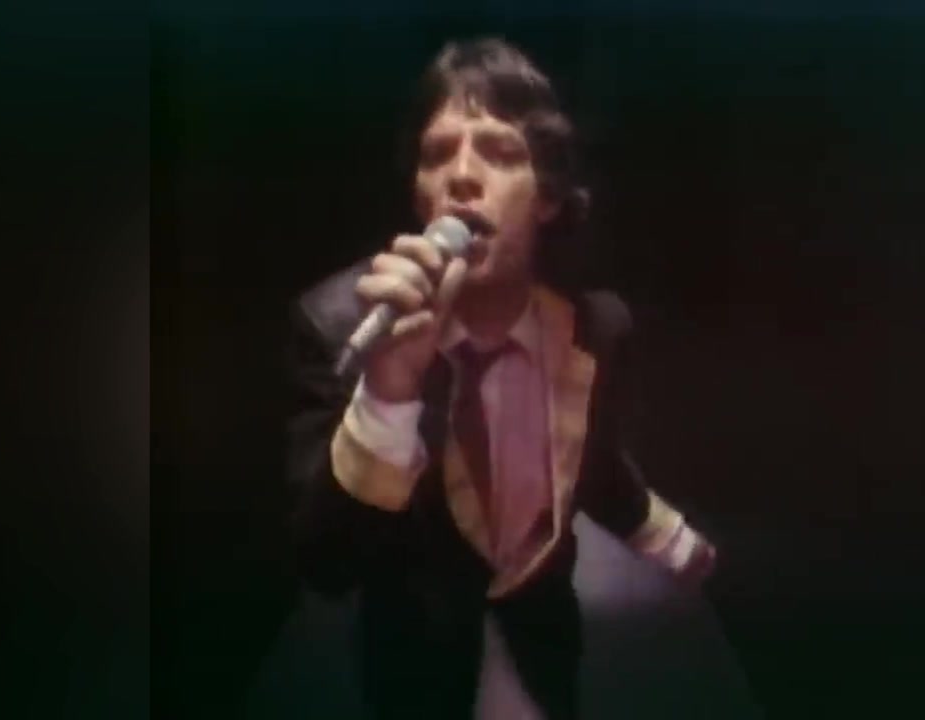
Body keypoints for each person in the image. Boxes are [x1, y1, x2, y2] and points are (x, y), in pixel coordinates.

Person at [286, 37, 717, 719]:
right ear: (419, 192)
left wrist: (667, 538)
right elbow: (328, 566)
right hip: (418, 665)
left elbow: (593, 461)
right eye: (437, 155)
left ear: (547, 195)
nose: (461, 175)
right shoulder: (342, 325)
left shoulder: (595, 328)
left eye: (499, 152)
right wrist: (389, 396)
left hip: (541, 640)